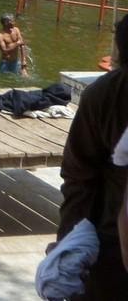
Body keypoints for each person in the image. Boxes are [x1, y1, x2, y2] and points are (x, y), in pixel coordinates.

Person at [56, 15, 128, 298]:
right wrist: (69, 247)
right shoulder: (108, 95)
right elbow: (79, 178)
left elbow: (77, 178)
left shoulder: (104, 94)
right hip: (111, 248)